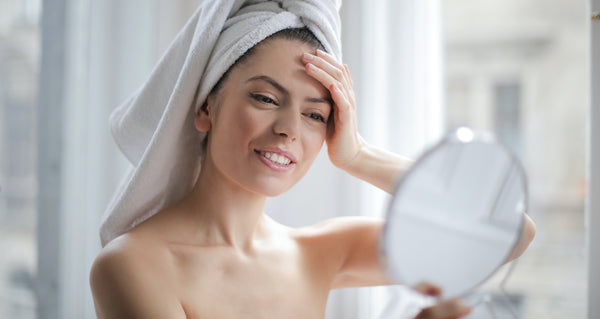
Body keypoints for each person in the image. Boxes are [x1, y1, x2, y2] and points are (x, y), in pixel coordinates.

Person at [90, 2, 536, 318]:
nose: (289, 129)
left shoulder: (320, 253)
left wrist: (359, 155)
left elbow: (508, 232)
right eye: (266, 97)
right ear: (206, 107)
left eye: (314, 115)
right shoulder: (134, 265)